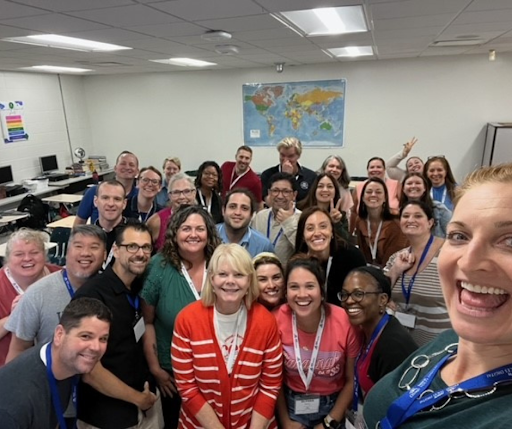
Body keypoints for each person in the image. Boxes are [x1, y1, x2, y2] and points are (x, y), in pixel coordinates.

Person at [364, 163, 512, 428]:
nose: (468, 262)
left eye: (510, 241)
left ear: (432, 223)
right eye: (459, 235)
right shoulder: (449, 342)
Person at [171, 243, 283, 429]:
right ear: (212, 279)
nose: (230, 281)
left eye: (238, 275)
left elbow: (270, 386)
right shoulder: (187, 320)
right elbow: (187, 388)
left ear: (249, 281)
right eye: (223, 274)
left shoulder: (266, 322)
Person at [140, 205, 221, 428]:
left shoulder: (221, 263)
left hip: (218, 370)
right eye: (186, 228)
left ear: (209, 233)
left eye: (199, 229)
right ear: (175, 233)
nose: (193, 234)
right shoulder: (159, 266)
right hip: (172, 374)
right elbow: (147, 322)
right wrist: (156, 369)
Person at [73, 222, 159, 429]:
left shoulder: (137, 286)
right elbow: (90, 371)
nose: (140, 253)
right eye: (132, 246)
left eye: (146, 247)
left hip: (143, 404)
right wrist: (138, 398)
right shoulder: (93, 296)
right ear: (115, 250)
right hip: (107, 415)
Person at [275, 255, 361, 429]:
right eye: (294, 287)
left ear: (322, 291)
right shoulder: (276, 320)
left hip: (334, 406)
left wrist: (329, 422)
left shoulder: (344, 322)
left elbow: (352, 380)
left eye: (310, 286)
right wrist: (285, 421)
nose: (302, 294)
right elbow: (272, 380)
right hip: (291, 405)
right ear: (286, 292)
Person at [0, 298, 112, 429]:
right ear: (59, 334)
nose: (96, 347)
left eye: (103, 339)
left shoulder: (67, 363)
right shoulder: (14, 406)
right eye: (85, 336)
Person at [5, 225, 107, 363]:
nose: (85, 253)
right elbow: (18, 350)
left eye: (94, 247)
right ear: (67, 251)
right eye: (78, 246)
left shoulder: (112, 289)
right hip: (53, 380)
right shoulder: (36, 294)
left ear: (105, 254)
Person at [340, 266, 417, 410]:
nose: (349, 301)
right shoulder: (365, 331)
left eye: (358, 294)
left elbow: (399, 408)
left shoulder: (393, 347)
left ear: (382, 299)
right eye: (345, 294)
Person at [384, 201, 450, 346]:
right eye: (405, 216)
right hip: (405, 347)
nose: (410, 220)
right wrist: (396, 270)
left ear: (430, 222)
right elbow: (378, 291)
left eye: (418, 216)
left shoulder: (448, 253)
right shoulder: (397, 258)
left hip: (441, 348)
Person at [0, 229, 60, 366]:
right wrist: (16, 316)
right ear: (8, 259)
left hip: (56, 365)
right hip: (8, 371)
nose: (27, 258)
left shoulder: (60, 276)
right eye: (19, 254)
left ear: (44, 255)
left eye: (34, 253)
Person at [295, 206, 366, 305]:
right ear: (303, 235)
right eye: (310, 228)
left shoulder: (351, 257)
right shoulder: (298, 263)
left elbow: (362, 297)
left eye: (323, 226)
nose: (317, 233)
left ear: (332, 231)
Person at [355, 178, 408, 267]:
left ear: (385, 198)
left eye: (378, 192)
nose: (373, 195)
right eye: (369, 192)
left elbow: (392, 261)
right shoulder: (360, 221)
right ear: (363, 198)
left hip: (392, 271)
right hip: (368, 271)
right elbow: (363, 256)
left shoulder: (396, 224)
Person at [75, 151, 139, 225]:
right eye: (123, 163)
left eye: (131, 165)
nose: (127, 167)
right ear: (115, 168)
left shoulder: (140, 196)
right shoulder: (94, 192)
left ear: (137, 171)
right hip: (99, 235)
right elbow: (79, 224)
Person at [251, 172, 301, 266]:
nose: (280, 196)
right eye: (275, 191)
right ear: (269, 193)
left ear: (294, 195)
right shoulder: (260, 217)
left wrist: (289, 222)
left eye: (286, 191)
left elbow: (303, 249)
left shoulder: (302, 218)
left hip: (287, 275)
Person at [217, 189, 274, 258]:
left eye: (244, 208)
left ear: (252, 214)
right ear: (223, 210)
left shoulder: (264, 246)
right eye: (232, 207)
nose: (237, 212)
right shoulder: (208, 236)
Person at [147, 172, 197, 251]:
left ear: (194, 193)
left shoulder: (205, 219)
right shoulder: (156, 222)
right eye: (176, 192)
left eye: (187, 191)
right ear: (169, 196)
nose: (182, 197)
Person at [260, 137, 317, 203]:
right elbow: (268, 201)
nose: (285, 160)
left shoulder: (311, 176)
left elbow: (312, 202)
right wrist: (285, 176)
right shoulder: (268, 174)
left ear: (298, 156)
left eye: (290, 156)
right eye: (282, 155)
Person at [298, 172, 350, 241]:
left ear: (335, 191)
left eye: (329, 186)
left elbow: (346, 243)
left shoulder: (340, 216)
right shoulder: (300, 210)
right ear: (314, 190)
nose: (325, 190)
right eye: (320, 186)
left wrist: (335, 223)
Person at [400, 172, 452, 238]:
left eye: (418, 183)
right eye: (409, 183)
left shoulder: (439, 208)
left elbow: (452, 232)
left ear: (424, 188)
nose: (413, 186)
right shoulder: (398, 212)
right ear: (403, 189)